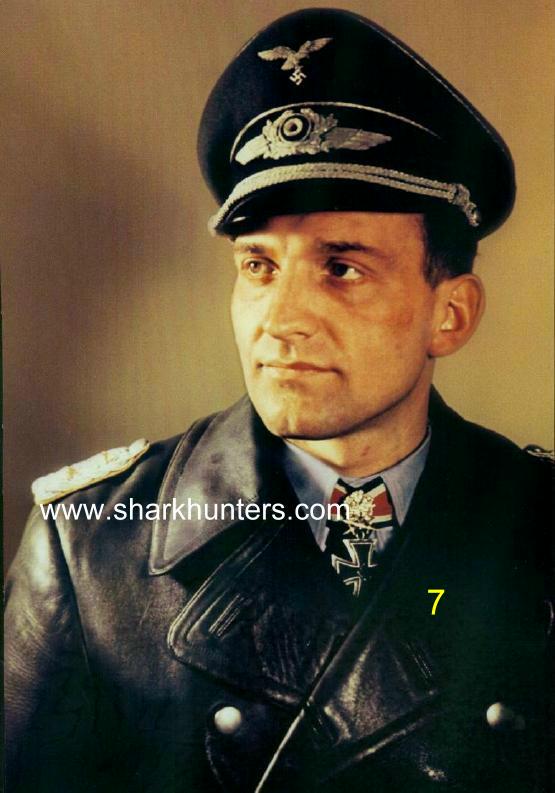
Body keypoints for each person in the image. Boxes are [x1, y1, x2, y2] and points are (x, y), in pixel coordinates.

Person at [5, 8, 552, 793]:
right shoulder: (91, 548)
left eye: (341, 268)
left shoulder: (536, 521)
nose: (280, 319)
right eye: (258, 266)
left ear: (450, 314)